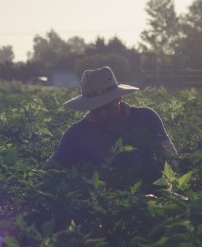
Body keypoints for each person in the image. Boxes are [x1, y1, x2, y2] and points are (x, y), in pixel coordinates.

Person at [47, 66, 177, 187]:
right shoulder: (75, 134)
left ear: (119, 98)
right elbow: (52, 168)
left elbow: (171, 156)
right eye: (96, 109)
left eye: (107, 107)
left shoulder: (146, 118)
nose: (103, 114)